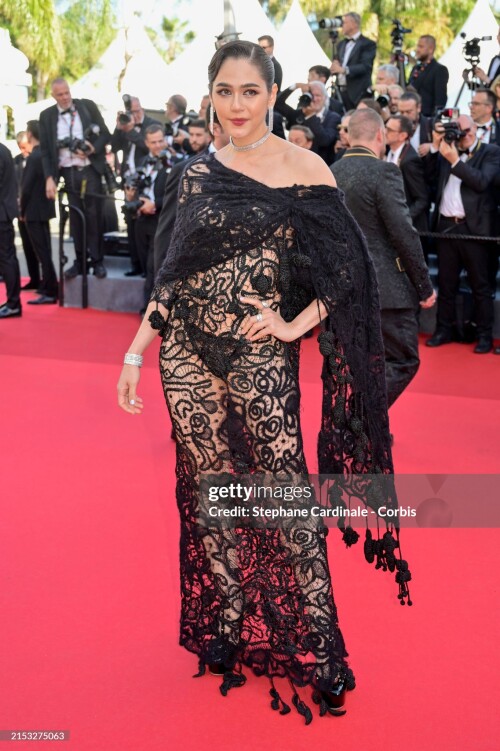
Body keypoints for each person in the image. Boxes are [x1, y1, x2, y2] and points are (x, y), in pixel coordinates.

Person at [117, 40, 411, 723]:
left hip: (256, 355)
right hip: (185, 350)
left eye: (249, 91)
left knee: (284, 494)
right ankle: (224, 618)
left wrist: (290, 325)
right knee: (210, 484)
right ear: (211, 95)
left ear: (272, 93)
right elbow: (171, 279)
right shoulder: (194, 174)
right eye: (223, 91)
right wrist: (136, 352)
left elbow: (348, 272)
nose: (236, 106)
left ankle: (322, 647)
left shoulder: (306, 168)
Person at [331, 109, 435, 408]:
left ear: (348, 136)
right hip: (386, 288)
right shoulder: (385, 172)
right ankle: (361, 417)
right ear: (380, 135)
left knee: (360, 360)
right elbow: (404, 233)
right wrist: (424, 286)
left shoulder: (331, 171)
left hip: (343, 285)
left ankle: (365, 427)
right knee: (403, 360)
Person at [424, 116, 500, 354]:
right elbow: (429, 179)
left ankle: (484, 336)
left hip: (475, 229)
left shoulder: (490, 152)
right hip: (446, 227)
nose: (463, 135)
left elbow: (481, 182)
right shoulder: (448, 150)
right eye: (458, 131)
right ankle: (443, 330)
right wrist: (436, 149)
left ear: (476, 130)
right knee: (446, 285)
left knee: (480, 286)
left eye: (467, 131)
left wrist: (454, 160)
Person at [39, 78, 110, 279]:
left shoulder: (87, 106)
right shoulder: (46, 116)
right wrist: (49, 178)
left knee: (94, 217)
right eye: (60, 94)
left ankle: (97, 261)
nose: (64, 97)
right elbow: (45, 150)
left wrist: (92, 148)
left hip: (89, 169)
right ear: (53, 96)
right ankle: (80, 261)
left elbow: (106, 134)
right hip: (67, 172)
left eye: (67, 93)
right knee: (76, 219)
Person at [111, 96, 161, 277]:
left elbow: (146, 147)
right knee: (130, 222)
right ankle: (135, 264)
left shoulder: (152, 125)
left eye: (137, 110)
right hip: (128, 180)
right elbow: (114, 146)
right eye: (131, 112)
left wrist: (131, 129)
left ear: (142, 108)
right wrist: (119, 128)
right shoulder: (125, 126)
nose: (135, 114)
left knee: (143, 225)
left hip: (145, 179)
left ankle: (147, 267)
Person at [125, 124, 169, 313]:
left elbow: (176, 194)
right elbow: (133, 186)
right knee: (146, 264)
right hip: (141, 219)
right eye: (153, 142)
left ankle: (150, 309)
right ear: (146, 143)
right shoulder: (142, 162)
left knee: (154, 265)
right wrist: (132, 197)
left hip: (162, 220)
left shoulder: (175, 162)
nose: (158, 145)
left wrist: (155, 204)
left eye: (161, 141)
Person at [20, 120, 58, 304]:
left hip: (34, 210)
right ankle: (47, 285)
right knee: (45, 250)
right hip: (44, 208)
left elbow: (26, 187)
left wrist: (21, 208)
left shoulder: (35, 156)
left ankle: (50, 290)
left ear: (29, 134)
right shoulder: (45, 155)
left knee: (42, 252)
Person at [275, 80, 340, 163]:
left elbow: (325, 140)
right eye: (311, 95)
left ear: (325, 98)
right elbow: (278, 104)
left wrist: (311, 116)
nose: (314, 99)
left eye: (318, 95)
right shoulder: (299, 114)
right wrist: (295, 86)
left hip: (321, 165)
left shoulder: (333, 117)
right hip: (296, 163)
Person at [385, 115, 430, 233]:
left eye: (389, 130)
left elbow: (422, 199)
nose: (385, 132)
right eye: (385, 127)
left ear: (403, 135)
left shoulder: (410, 161)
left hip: (410, 229)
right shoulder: (389, 153)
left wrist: (403, 219)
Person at [330, 13, 376, 110]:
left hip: (357, 93)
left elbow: (365, 66)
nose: (342, 25)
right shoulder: (341, 44)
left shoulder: (368, 44)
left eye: (345, 22)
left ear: (354, 24)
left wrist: (343, 70)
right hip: (339, 92)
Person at [13, 131, 39, 291]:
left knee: (39, 247)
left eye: (25, 146)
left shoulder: (37, 159)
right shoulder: (15, 161)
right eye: (21, 148)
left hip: (35, 209)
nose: (24, 151)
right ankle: (33, 278)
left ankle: (46, 280)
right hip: (20, 209)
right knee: (27, 247)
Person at [0, 140, 21, 319]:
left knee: (7, 259)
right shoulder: (4, 151)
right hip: (4, 213)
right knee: (7, 258)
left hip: (2, 215)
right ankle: (13, 302)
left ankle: (14, 303)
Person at [407, 36, 449, 117]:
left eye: (421, 46)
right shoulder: (416, 68)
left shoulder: (439, 69)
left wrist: (434, 120)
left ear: (431, 49)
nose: (417, 50)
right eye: (417, 46)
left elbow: (440, 99)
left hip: (427, 119)